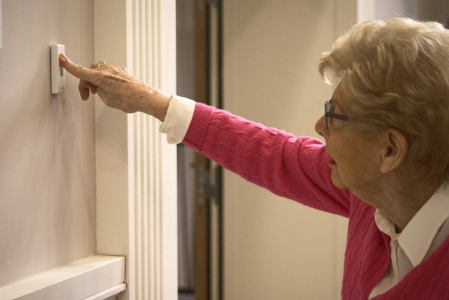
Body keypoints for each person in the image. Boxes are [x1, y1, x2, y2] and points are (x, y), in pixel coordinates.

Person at [60, 17, 449, 299]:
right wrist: (152, 101)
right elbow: (271, 153)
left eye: (334, 116)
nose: (319, 126)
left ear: (390, 151)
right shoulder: (370, 196)